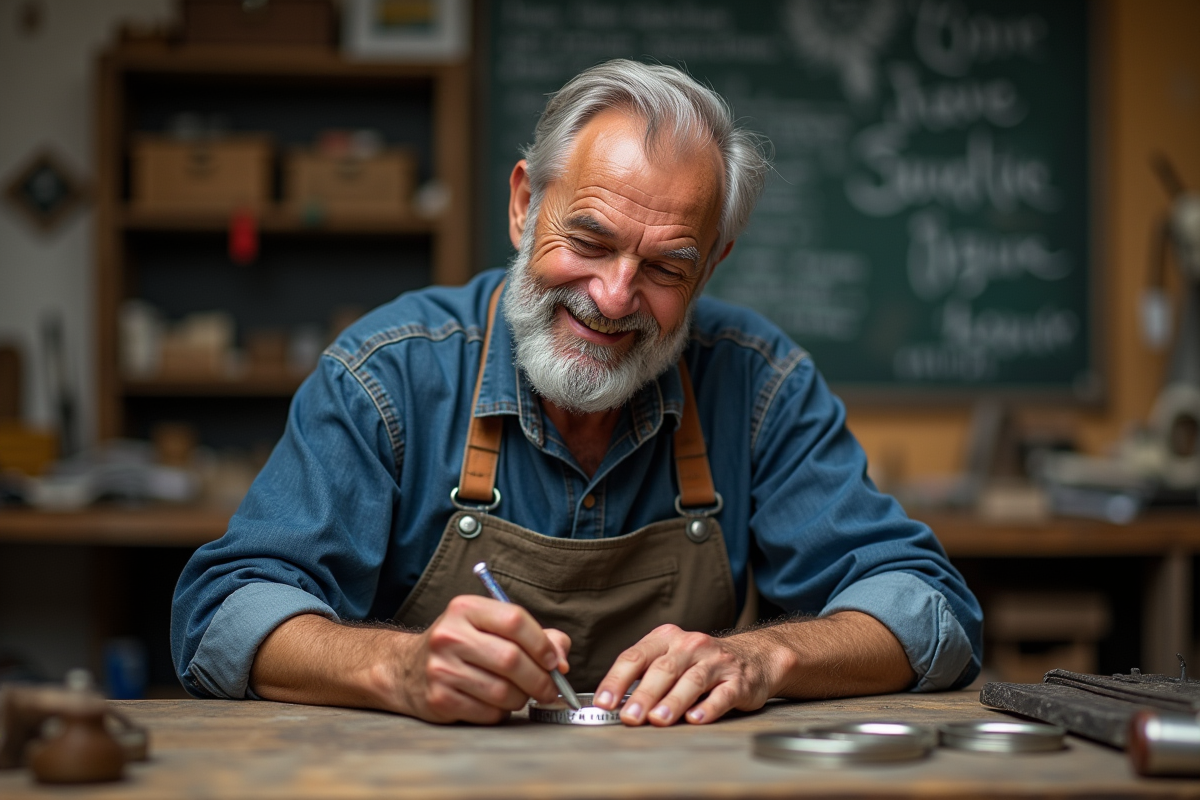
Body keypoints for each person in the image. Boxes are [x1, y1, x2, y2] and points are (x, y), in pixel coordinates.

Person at [171, 60, 982, 727]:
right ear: (526, 204)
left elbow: (929, 610)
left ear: (713, 263)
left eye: (667, 266)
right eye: (589, 240)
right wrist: (399, 667)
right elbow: (223, 615)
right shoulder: (388, 374)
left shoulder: (758, 381)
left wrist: (763, 658)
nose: (617, 295)